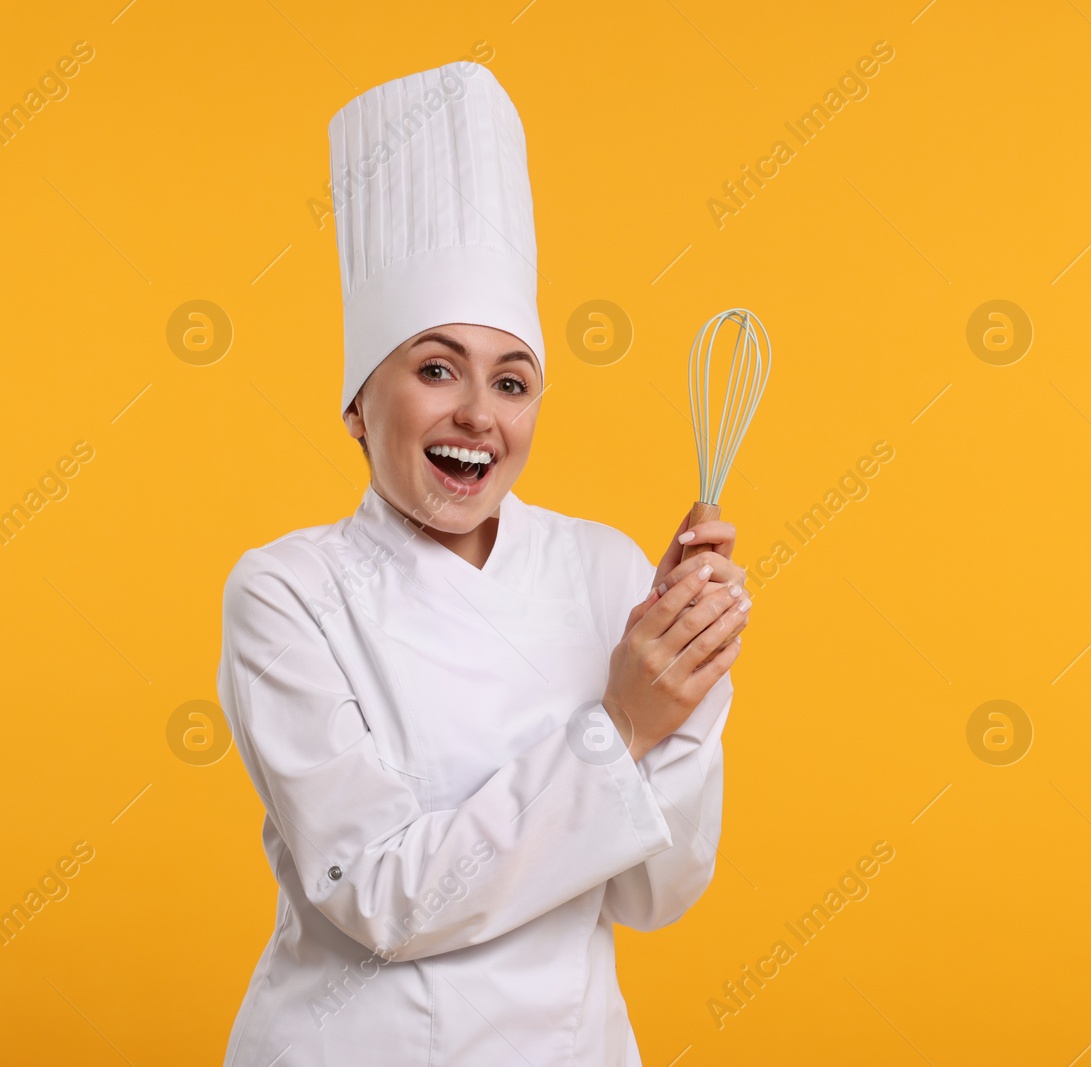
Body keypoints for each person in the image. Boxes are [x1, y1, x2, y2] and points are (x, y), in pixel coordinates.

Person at [216, 61, 750, 1065]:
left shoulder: (602, 568)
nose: (476, 412)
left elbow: (652, 892)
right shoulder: (288, 593)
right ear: (356, 407)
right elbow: (379, 895)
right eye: (434, 368)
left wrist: (690, 685)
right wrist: (622, 723)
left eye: (511, 380)